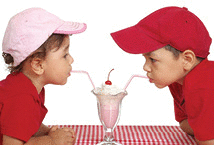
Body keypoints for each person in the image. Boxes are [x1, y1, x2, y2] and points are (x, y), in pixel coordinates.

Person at [111, 6, 214, 144]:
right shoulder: (178, 82)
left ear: (187, 59)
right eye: (145, 59)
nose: (145, 67)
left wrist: (202, 130)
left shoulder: (202, 87)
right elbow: (184, 123)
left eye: (153, 59)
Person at [0, 7, 87, 145]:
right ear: (38, 65)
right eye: (64, 55)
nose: (71, 60)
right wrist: (51, 140)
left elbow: (25, 123)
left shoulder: (27, 87)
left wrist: (46, 132)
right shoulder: (21, 98)